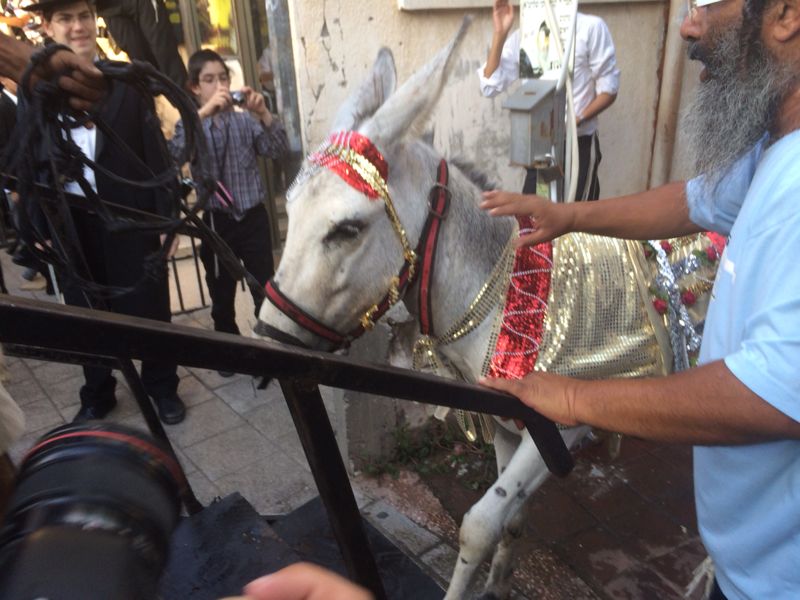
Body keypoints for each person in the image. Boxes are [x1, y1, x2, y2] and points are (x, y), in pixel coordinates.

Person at [479, 0, 800, 598]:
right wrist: (569, 215)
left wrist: (574, 395)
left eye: (709, 5)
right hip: (746, 564)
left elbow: (773, 395)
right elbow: (693, 200)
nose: (688, 26)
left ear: (784, 15)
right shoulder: (773, 148)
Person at [22, 0, 186, 424]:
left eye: (82, 16)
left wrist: (165, 226)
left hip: (129, 217)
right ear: (46, 26)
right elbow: (32, 159)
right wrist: (41, 226)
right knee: (84, 311)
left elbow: (156, 157)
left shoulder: (127, 85)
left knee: (149, 306)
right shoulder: (37, 92)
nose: (77, 27)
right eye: (65, 18)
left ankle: (161, 386)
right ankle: (98, 391)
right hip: (73, 224)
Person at [169, 49, 288, 374]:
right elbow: (173, 158)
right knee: (220, 292)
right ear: (195, 87)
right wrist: (203, 115)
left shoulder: (244, 121)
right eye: (209, 80)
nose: (219, 85)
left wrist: (264, 114)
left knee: (263, 285)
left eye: (223, 78)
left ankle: (270, 350)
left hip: (252, 218)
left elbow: (276, 149)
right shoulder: (190, 124)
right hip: (215, 221)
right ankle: (229, 351)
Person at [479, 0, 619, 198]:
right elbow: (489, 85)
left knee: (576, 217)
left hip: (578, 144)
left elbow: (609, 89)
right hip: (539, 147)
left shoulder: (590, 28)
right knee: (533, 218)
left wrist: (574, 122)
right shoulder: (524, 35)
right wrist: (500, 34)